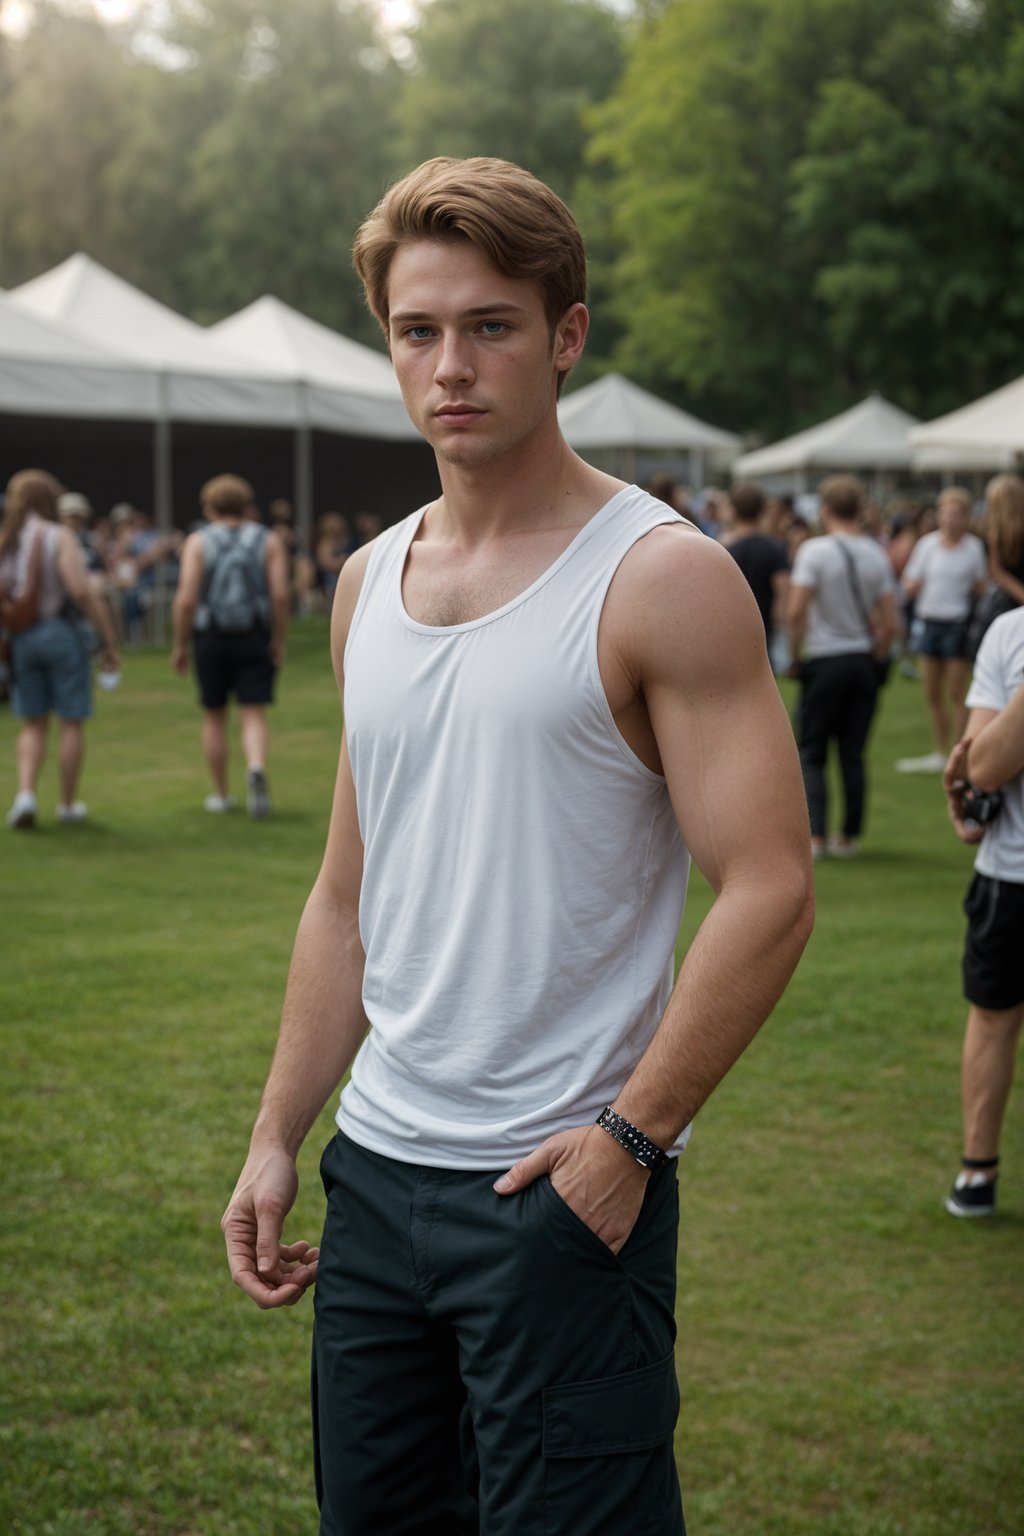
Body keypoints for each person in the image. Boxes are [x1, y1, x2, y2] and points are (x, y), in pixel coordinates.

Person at [220, 156, 814, 1536]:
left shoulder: (660, 574)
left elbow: (772, 885)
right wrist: (275, 1137)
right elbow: (345, 898)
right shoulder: (368, 579)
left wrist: (630, 1139)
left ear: (565, 337)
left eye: (490, 325)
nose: (451, 366)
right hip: (374, 1184)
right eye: (418, 330)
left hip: (558, 1189)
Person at [942, 606, 1024, 1216]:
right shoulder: (1011, 630)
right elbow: (984, 768)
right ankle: (978, 1171)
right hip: (1011, 870)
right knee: (993, 1016)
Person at [787, 474, 900, 859]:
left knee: (813, 750)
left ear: (825, 510)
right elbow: (891, 623)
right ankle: (848, 836)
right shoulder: (875, 553)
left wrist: (795, 655)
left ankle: (816, 836)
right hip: (861, 660)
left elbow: (797, 609)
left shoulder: (814, 551)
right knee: (853, 752)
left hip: (825, 657)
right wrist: (879, 656)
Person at [0, 469, 119, 828]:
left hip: (21, 637)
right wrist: (108, 640)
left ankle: (25, 794)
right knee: (71, 721)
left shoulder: (7, 539)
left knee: (33, 723)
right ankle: (67, 804)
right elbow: (81, 591)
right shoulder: (58, 535)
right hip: (59, 633)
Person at [171, 474, 289, 817]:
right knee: (253, 712)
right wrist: (279, 638)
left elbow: (186, 600)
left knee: (214, 716)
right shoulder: (267, 540)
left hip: (211, 637)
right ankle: (255, 766)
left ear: (209, 506)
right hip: (254, 634)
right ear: (247, 505)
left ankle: (222, 794)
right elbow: (280, 595)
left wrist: (180, 644)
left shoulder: (197, 541)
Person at [896, 487, 987, 774]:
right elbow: (909, 581)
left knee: (957, 692)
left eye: (956, 514)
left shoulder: (973, 548)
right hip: (928, 623)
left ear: (966, 518)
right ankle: (940, 750)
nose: (949, 519)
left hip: (956, 625)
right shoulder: (927, 545)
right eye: (945, 513)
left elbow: (981, 587)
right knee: (932, 693)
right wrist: (912, 587)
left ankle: (958, 751)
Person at [722, 480, 789, 664]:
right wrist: (779, 620)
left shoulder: (723, 549)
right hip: (764, 626)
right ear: (762, 510)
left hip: (730, 627)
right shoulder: (774, 547)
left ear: (733, 511)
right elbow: (783, 590)